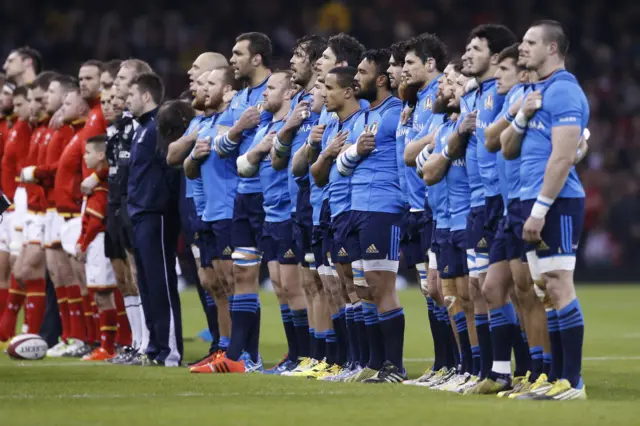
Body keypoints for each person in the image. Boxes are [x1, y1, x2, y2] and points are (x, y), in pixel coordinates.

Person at [501, 20, 589, 400]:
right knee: (544, 291)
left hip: (555, 202)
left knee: (557, 284)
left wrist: (539, 210)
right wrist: (520, 116)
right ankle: (556, 379)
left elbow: (563, 158)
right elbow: (505, 147)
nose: (522, 48)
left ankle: (572, 382)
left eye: (530, 42)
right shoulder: (536, 91)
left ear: (552, 49)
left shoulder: (565, 92)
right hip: (528, 200)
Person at [336, 48, 405, 383]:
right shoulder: (363, 115)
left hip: (384, 208)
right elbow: (341, 165)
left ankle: (395, 365)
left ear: (380, 79)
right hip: (356, 208)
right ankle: (376, 364)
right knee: (363, 288)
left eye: (362, 73)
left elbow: (404, 162)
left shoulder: (395, 113)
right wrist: (354, 151)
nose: (356, 78)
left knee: (381, 286)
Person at [214, 32, 273, 372]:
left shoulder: (278, 91)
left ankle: (313, 354)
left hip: (273, 196)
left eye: (237, 53)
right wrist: (240, 128)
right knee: (242, 273)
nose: (231, 59)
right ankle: (241, 356)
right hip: (244, 194)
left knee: (290, 281)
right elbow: (223, 144)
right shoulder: (239, 101)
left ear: (257, 58)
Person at [307, 66, 364, 379]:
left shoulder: (362, 120)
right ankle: (349, 361)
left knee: (358, 287)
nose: (322, 92)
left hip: (354, 211)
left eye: (327, 87)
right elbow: (316, 176)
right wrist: (325, 152)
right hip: (330, 211)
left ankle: (366, 361)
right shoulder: (330, 125)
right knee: (340, 287)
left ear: (348, 90)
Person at [185, 66, 241, 373]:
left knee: (233, 283)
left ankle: (241, 352)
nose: (202, 87)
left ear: (228, 90)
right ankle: (222, 348)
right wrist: (194, 155)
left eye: (210, 83)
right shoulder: (207, 123)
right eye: (201, 83)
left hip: (229, 210)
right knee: (215, 284)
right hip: (206, 213)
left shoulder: (233, 118)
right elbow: (187, 168)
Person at [127, 72, 182, 367]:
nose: (126, 100)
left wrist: (164, 207)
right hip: (141, 213)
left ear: (146, 96)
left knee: (161, 282)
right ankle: (154, 347)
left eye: (130, 95)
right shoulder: (140, 129)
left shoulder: (158, 127)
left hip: (156, 215)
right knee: (147, 283)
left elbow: (170, 169)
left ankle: (170, 350)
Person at [77, 135, 119, 361]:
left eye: (88, 152)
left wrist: (82, 243)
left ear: (101, 154)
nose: (85, 157)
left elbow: (95, 221)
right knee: (100, 294)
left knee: (104, 294)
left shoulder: (101, 187)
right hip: (95, 242)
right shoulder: (97, 181)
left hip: (99, 242)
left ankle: (109, 347)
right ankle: (106, 345)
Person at [0, 85, 32, 344]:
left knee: (20, 267)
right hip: (9, 204)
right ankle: (5, 328)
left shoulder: (26, 126)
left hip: (21, 202)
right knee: (7, 266)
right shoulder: (12, 125)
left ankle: (19, 327)